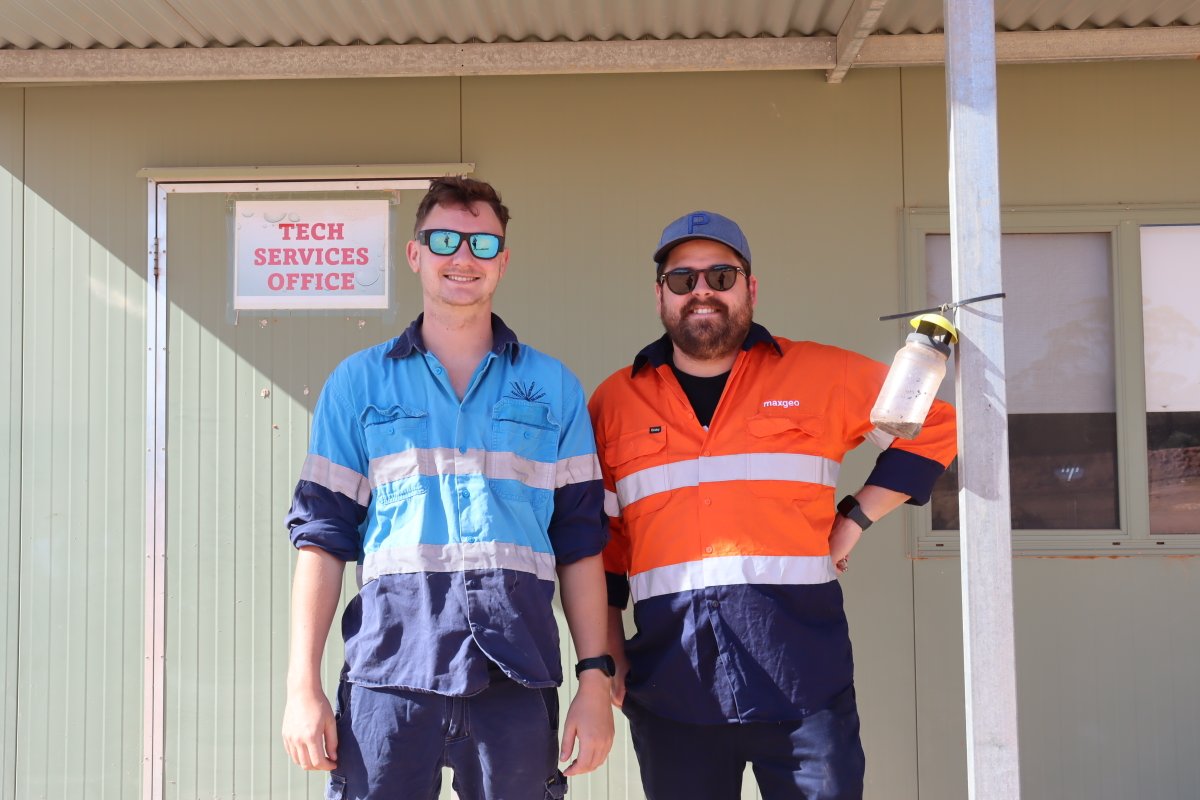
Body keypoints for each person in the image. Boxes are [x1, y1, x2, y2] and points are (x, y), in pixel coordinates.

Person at [588, 211, 957, 800]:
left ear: (750, 288)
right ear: (660, 295)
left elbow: (933, 424)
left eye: (721, 275)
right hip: (673, 685)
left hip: (804, 683)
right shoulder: (615, 402)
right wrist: (606, 654)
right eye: (683, 280)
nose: (702, 290)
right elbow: (603, 547)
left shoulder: (821, 374)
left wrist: (855, 518)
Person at [282, 177, 614, 800]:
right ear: (415, 254)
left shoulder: (555, 388)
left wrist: (594, 678)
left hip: (516, 681)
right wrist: (303, 684)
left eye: (483, 244)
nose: (463, 257)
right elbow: (321, 542)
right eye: (444, 240)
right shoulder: (358, 385)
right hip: (389, 676)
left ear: (504, 261)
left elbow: (580, 543)